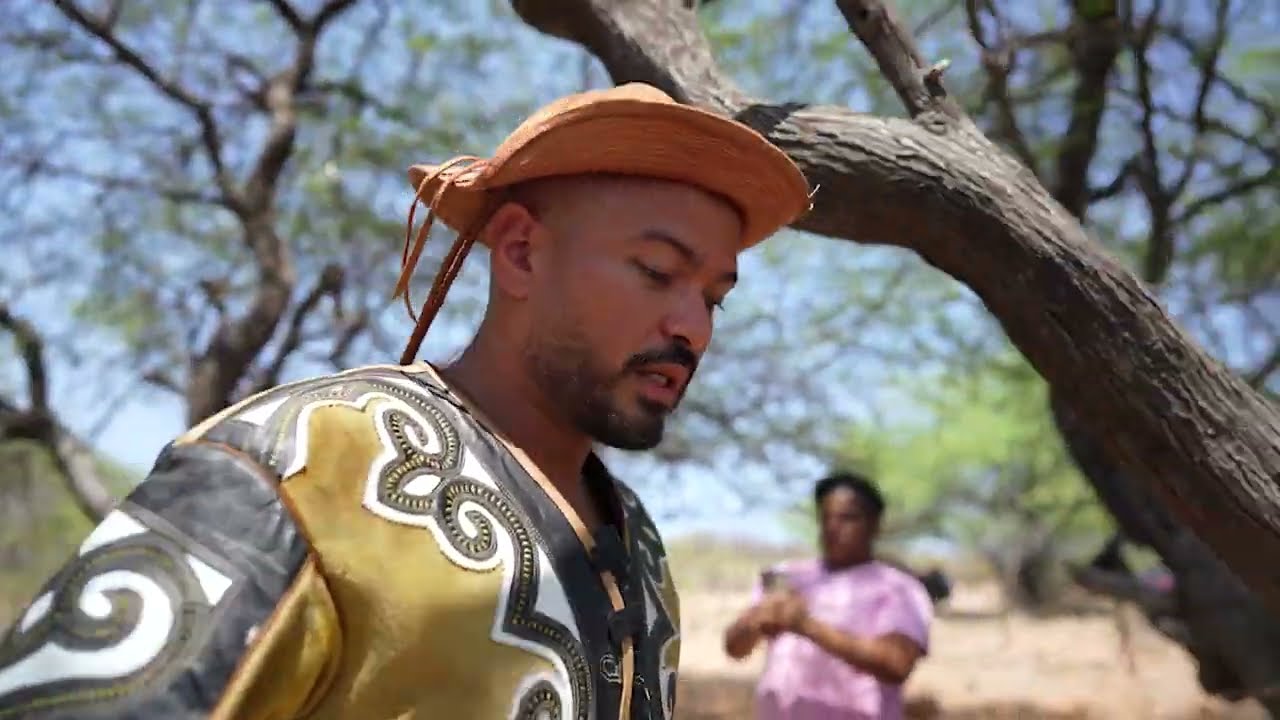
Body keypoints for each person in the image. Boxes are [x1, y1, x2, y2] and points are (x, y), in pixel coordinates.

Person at [0, 83, 811, 720]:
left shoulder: (643, 545)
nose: (692, 327)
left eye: (715, 297)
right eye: (657, 272)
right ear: (522, 253)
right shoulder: (307, 461)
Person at [723, 472, 933, 720]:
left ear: (875, 524)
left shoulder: (898, 588)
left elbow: (897, 664)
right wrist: (755, 623)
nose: (833, 527)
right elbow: (734, 648)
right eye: (826, 517)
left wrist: (806, 625)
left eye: (847, 518)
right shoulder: (787, 575)